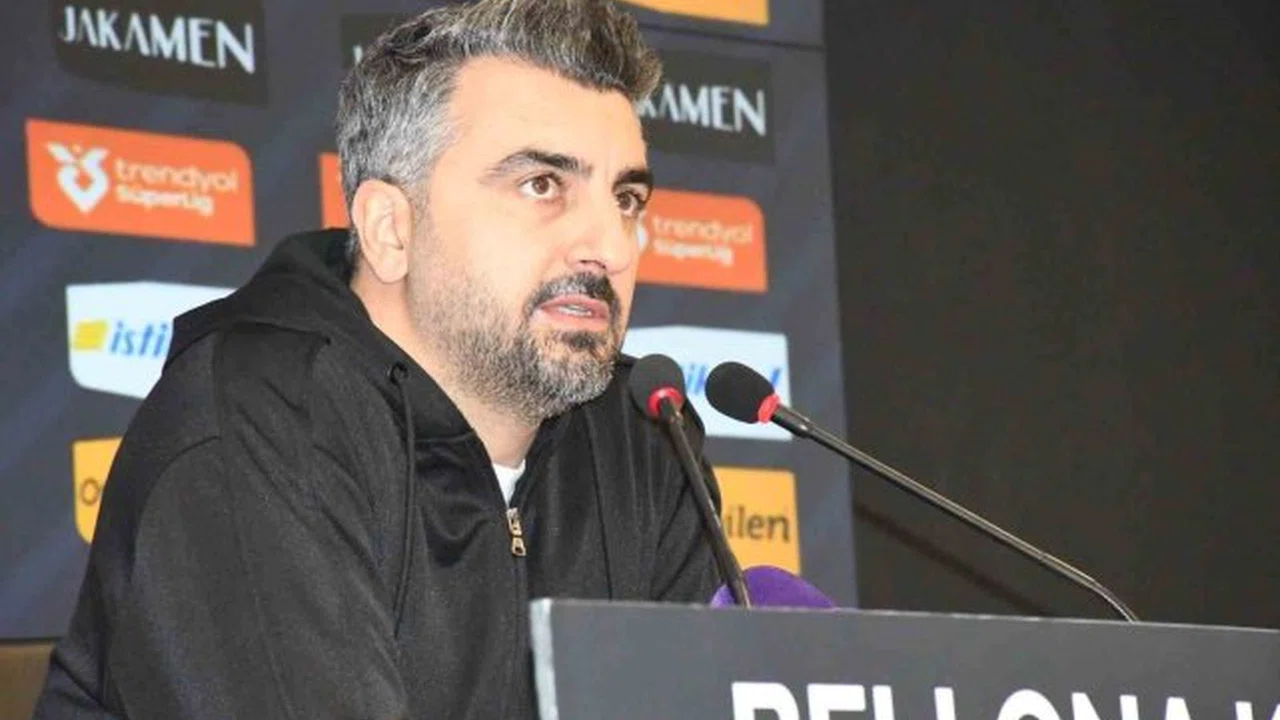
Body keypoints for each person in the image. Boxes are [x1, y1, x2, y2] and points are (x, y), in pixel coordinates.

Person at [34, 1, 721, 717]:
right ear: (390, 229)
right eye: (542, 185)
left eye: (626, 199)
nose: (610, 246)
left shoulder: (647, 438)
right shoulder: (261, 422)